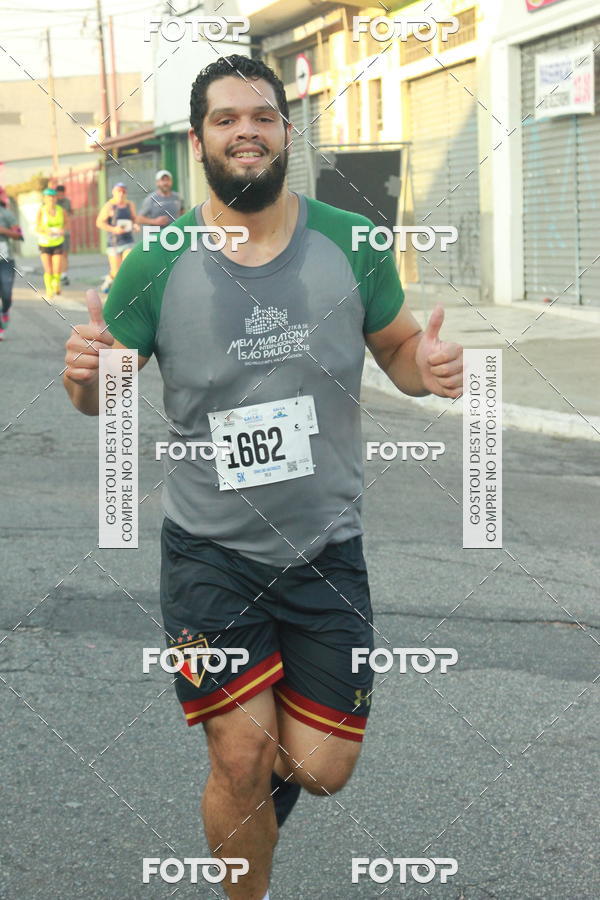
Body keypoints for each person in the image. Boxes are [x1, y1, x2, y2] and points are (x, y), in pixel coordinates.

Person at [64, 55, 463, 900]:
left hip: (327, 547)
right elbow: (102, 391)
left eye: (262, 115)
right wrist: (84, 373)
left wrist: (425, 366)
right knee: (239, 755)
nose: (246, 128)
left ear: (286, 130)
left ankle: (248, 796)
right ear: (199, 140)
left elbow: (395, 349)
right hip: (212, 553)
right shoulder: (157, 261)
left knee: (320, 769)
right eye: (224, 117)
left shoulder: (352, 241)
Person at [95, 182, 138, 293]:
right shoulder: (109, 206)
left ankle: (124, 292)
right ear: (113, 192)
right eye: (118, 191)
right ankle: (109, 280)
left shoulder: (130, 205)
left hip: (128, 240)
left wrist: (136, 225)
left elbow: (135, 219)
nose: (121, 193)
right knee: (116, 272)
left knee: (127, 265)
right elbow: (99, 223)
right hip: (114, 243)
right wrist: (114, 229)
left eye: (123, 191)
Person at [36, 187, 67, 300]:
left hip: (58, 241)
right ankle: (49, 289)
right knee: (48, 269)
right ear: (44, 198)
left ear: (56, 198)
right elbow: (37, 228)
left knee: (57, 267)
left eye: (53, 197)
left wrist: (63, 230)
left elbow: (67, 224)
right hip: (44, 243)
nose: (51, 199)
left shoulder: (61, 210)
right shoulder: (41, 211)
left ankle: (56, 284)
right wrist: (46, 231)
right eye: (48, 197)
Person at [136, 169, 185, 240]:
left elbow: (182, 213)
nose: (165, 183)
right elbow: (139, 219)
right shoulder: (151, 199)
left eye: (167, 180)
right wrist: (155, 221)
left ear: (171, 182)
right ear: (157, 183)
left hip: (175, 237)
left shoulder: (178, 197)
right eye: (163, 180)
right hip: (156, 239)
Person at [0, 187, 22, 341]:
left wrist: (3, 230)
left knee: (6, 295)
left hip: (5, 260)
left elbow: (19, 235)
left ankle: (5, 310)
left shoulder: (6, 214)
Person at [56, 185, 73, 285]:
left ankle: (64, 275)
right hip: (54, 234)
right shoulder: (53, 202)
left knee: (65, 254)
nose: (61, 196)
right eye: (59, 194)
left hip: (65, 232)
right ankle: (56, 275)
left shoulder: (67, 201)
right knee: (57, 255)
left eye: (62, 194)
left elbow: (70, 213)